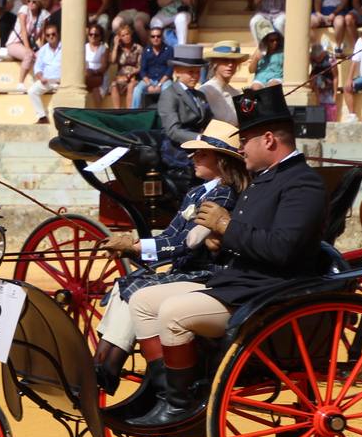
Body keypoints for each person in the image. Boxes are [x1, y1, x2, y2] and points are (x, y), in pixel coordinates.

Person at [125, 85, 327, 427]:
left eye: (244, 140)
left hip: (266, 294)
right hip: (238, 283)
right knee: (143, 301)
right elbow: (249, 237)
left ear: (268, 140)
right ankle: (160, 389)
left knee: (173, 312)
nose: (239, 148)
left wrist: (225, 226)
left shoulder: (302, 184)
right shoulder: (265, 180)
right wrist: (222, 240)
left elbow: (282, 248)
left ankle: (179, 403)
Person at [92, 118, 249, 392]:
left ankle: (109, 366)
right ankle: (104, 363)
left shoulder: (224, 195)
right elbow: (169, 237)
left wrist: (137, 246)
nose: (193, 158)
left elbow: (187, 242)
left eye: (202, 154)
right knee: (127, 286)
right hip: (185, 268)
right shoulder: (197, 192)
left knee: (137, 288)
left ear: (222, 162)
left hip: (204, 273)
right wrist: (135, 243)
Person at [157, 43, 211, 169]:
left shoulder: (200, 95)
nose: (195, 76)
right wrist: (199, 138)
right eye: (191, 72)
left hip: (200, 149)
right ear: (177, 71)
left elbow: (210, 121)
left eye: (198, 72)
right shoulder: (169, 94)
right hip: (177, 152)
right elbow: (172, 131)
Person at [24, 22, 61, 124]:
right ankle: (42, 117)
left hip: (62, 81)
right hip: (47, 81)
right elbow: (37, 68)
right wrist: (41, 77)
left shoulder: (65, 48)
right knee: (32, 91)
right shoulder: (43, 50)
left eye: (53, 34)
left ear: (58, 34)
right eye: (48, 35)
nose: (51, 37)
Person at [200, 40, 244, 124]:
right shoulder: (205, 91)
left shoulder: (235, 93)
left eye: (234, 61)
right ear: (215, 63)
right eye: (225, 60)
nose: (230, 65)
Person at [134, 26, 173, 109]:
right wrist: (149, 85)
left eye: (158, 36)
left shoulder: (169, 50)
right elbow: (143, 71)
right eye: (153, 36)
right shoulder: (146, 50)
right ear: (150, 38)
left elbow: (170, 70)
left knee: (167, 89)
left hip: (164, 80)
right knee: (137, 90)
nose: (156, 38)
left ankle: (167, 113)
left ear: (162, 37)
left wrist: (160, 84)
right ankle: (134, 113)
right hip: (149, 79)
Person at [106, 23, 141, 110]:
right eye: (123, 35)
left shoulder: (138, 48)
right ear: (120, 37)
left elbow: (140, 67)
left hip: (134, 76)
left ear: (131, 34)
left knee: (131, 86)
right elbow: (113, 61)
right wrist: (115, 45)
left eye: (127, 34)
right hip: (121, 77)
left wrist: (131, 73)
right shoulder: (119, 49)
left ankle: (129, 110)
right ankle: (117, 110)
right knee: (114, 85)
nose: (126, 37)